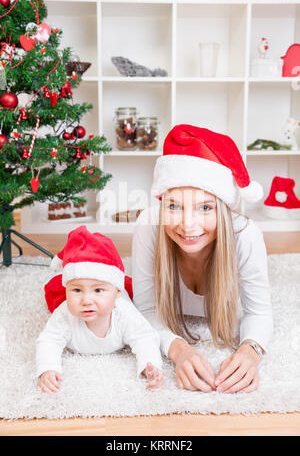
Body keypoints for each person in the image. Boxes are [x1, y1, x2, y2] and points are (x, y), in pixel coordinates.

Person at [132, 124, 273, 394]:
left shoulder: (245, 235)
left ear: (222, 209)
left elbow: (260, 311)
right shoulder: (149, 225)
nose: (188, 225)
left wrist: (251, 349)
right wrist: (177, 349)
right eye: (174, 206)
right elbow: (146, 310)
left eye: (205, 208)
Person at [36, 226, 163, 394]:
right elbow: (49, 340)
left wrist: (150, 365)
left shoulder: (124, 313)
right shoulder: (65, 313)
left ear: (117, 293)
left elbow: (144, 337)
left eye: (97, 291)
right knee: (56, 295)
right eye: (76, 290)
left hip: (121, 299)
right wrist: (48, 368)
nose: (86, 300)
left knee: (135, 296)